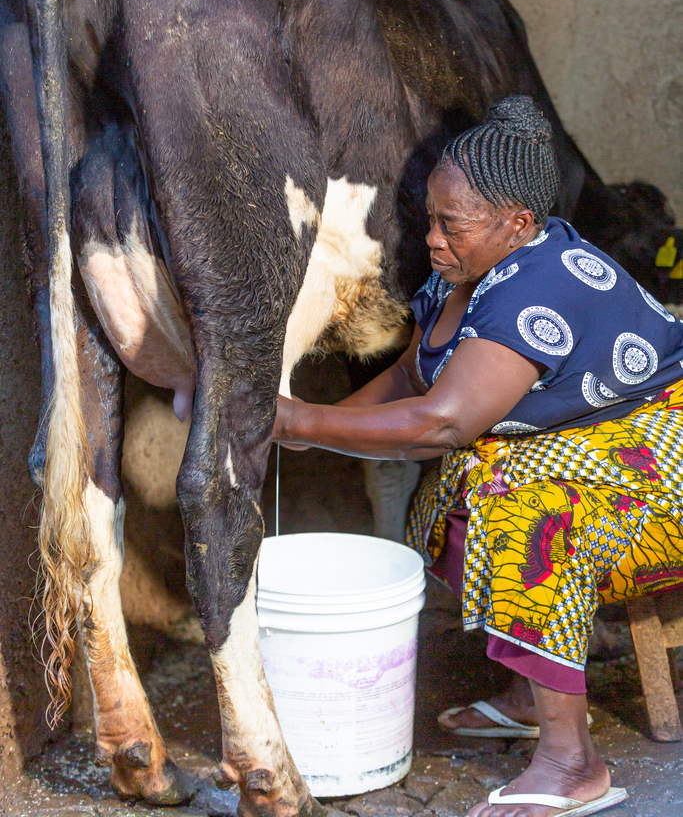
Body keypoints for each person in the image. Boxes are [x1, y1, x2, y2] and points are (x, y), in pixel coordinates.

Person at [273, 95, 683, 817]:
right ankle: (535, 690)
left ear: (518, 223)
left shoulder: (540, 282)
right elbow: (412, 376)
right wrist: (313, 426)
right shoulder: (461, 270)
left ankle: (570, 763)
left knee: (527, 520)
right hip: (599, 436)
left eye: (448, 224)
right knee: (459, 494)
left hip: (663, 449)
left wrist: (292, 418)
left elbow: (443, 422)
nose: (430, 238)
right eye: (429, 219)